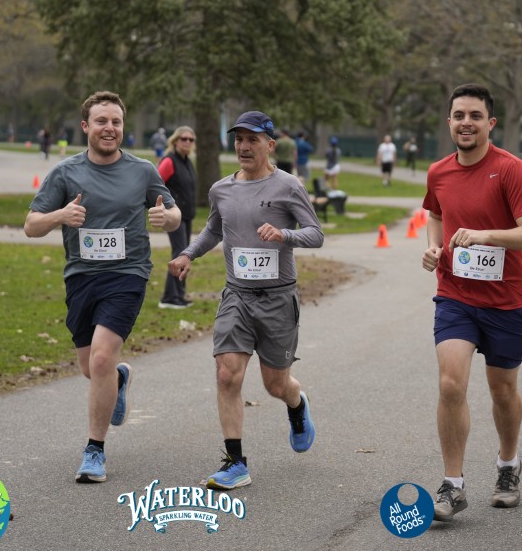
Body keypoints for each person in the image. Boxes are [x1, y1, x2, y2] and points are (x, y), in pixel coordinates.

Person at [24, 91, 181, 484]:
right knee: (91, 367)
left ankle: (94, 450)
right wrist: (61, 215)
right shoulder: (65, 173)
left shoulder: (142, 170)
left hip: (128, 274)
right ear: (85, 126)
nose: (109, 128)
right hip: (81, 276)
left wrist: (166, 217)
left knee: (99, 360)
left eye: (116, 122)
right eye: (101, 121)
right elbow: (31, 226)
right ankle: (119, 378)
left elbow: (175, 213)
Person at [168, 110, 324, 490]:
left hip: (278, 299)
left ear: (270, 145)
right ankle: (235, 463)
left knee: (275, 384)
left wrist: (285, 235)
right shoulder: (221, 190)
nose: (244, 146)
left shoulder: (288, 186)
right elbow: (213, 231)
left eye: (252, 139)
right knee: (227, 374)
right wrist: (188, 254)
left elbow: (315, 234)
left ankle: (297, 404)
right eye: (239, 139)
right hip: (237, 295)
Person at [420, 84, 522, 522]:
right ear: (449, 122)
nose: (466, 123)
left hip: (506, 301)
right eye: (459, 115)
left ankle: (508, 465)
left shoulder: (510, 170)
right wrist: (434, 248)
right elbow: (436, 215)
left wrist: (485, 235)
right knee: (450, 383)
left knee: (502, 390)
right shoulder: (438, 172)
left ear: (490, 123)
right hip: (455, 295)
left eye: (475, 115)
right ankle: (452, 485)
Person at [158, 126, 198, 309]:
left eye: (191, 139)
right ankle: (169, 297)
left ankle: (179, 295)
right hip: (174, 215)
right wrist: (164, 208)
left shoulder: (187, 162)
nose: (187, 142)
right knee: (179, 253)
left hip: (187, 215)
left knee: (184, 255)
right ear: (175, 141)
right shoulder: (169, 161)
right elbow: (156, 184)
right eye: (184, 138)